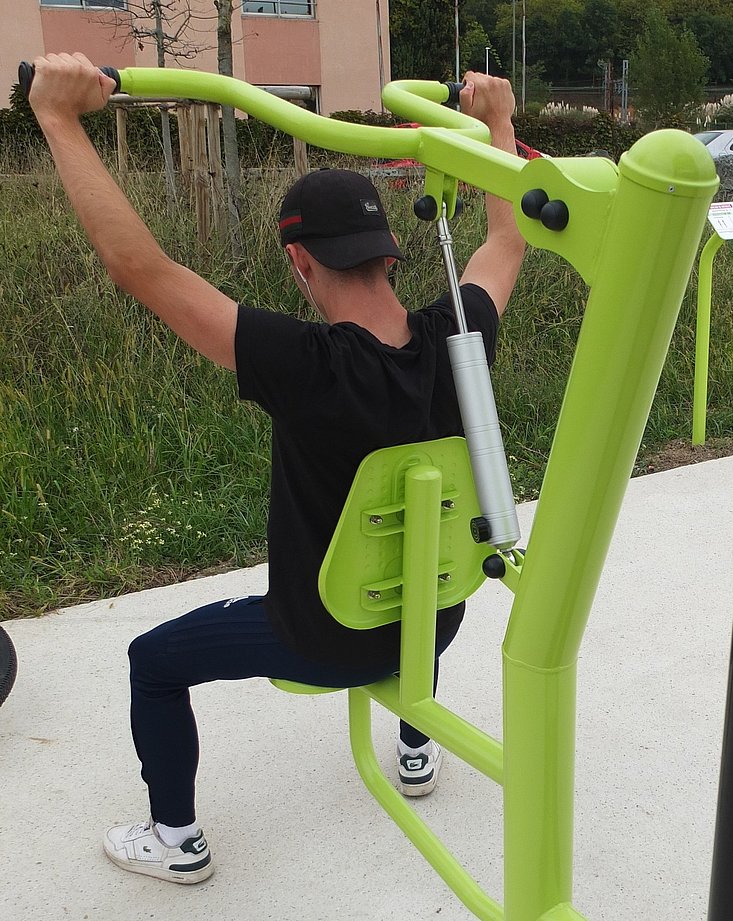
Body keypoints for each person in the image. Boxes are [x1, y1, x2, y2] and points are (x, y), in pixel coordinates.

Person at [28, 52, 525, 885]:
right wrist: (500, 124)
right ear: (392, 256)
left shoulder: (307, 365)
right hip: (435, 619)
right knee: (417, 541)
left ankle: (176, 838)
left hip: (324, 639)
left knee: (152, 658)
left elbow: (143, 271)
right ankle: (415, 749)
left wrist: (58, 119)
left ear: (301, 264)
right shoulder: (460, 341)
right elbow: (506, 237)